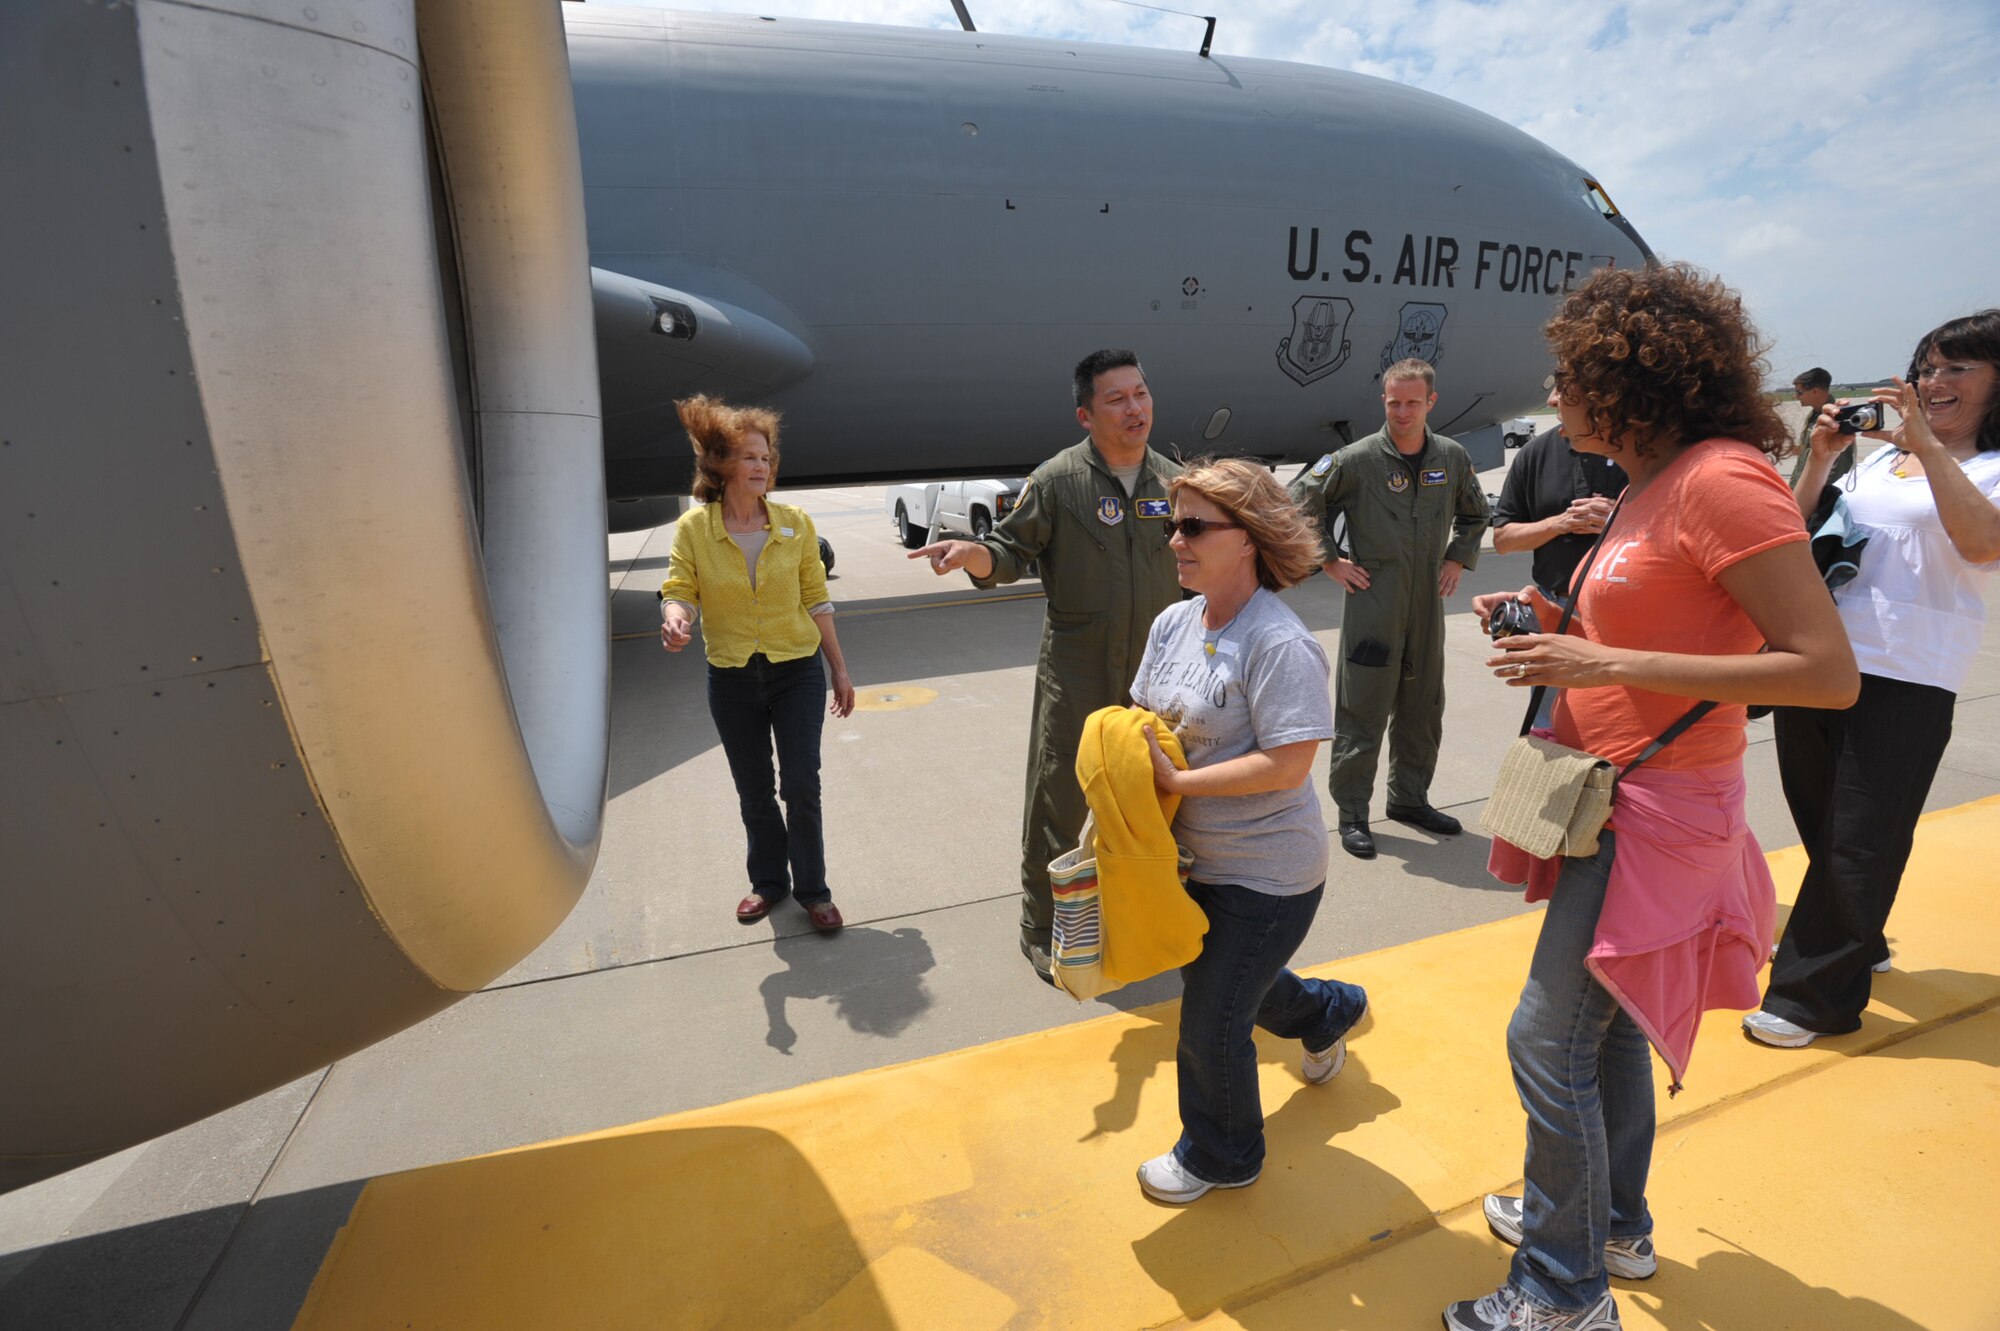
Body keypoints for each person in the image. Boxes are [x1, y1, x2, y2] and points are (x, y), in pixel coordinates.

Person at [1451, 263, 1859, 1331]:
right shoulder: (1645, 483)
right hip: (1605, 790)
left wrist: (1597, 664)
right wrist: (1549, 620)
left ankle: (1559, 1287)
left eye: (1567, 374)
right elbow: (1660, 626)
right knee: (1608, 1028)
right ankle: (1612, 1224)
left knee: (1544, 1039)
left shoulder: (1722, 479)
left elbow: (1824, 670)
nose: (1553, 393)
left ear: (1628, 379)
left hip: (1657, 808)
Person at [1746, 311, 2000, 1048]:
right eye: (1927, 367)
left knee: (1860, 835)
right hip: (1822, 658)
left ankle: (1811, 996)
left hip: (1910, 671)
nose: (1933, 381)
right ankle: (1862, 937)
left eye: (1957, 368)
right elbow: (1790, 533)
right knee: (1817, 813)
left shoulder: (1986, 466)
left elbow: (1981, 543)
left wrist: (1927, 443)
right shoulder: (1879, 463)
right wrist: (1822, 459)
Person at [1125, 458, 1368, 1204]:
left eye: (1195, 526)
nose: (1176, 541)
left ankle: (1222, 1153)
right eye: (1173, 525)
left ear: (1250, 538)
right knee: (1247, 993)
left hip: (1268, 873)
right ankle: (1332, 1010)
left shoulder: (1278, 641)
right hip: (1196, 862)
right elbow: (1143, 722)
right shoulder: (1175, 621)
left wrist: (1180, 784)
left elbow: (1288, 764)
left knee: (1210, 1020)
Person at [913, 350, 1184, 982]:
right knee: (1059, 794)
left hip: (1157, 669)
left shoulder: (1174, 482)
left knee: (1157, 791)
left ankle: (1139, 906)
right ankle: (1041, 924)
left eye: (1140, 393)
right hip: (1078, 665)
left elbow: (1205, 557)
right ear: (1086, 414)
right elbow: (1009, 550)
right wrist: (973, 554)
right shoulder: (1059, 481)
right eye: (1116, 399)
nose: (1134, 408)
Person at [660, 396, 856, 932]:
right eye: (750, 457)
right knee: (754, 788)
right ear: (721, 465)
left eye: (766, 457)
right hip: (731, 675)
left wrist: (838, 669)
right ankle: (769, 882)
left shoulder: (795, 523)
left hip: (796, 670)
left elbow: (816, 597)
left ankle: (814, 891)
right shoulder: (695, 530)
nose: (762, 466)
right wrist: (676, 616)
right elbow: (679, 588)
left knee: (800, 783)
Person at [1288, 358, 1489, 859]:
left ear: (1431, 402)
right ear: (1384, 401)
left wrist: (1457, 559)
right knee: (1363, 709)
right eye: (1394, 402)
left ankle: (1409, 799)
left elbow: (1475, 513)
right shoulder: (1356, 460)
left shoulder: (1452, 456)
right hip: (1373, 600)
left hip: (1426, 603)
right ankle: (1353, 813)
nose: (1403, 411)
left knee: (1423, 708)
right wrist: (1330, 561)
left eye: (1413, 402)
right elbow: (1297, 502)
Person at [1491, 387, 1629, 729]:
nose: (1551, 398)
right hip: (1555, 612)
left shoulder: (1638, 449)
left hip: (1620, 618)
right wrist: (1560, 523)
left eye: (1564, 388)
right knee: (1548, 724)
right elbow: (1504, 539)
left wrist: (1617, 521)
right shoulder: (1536, 453)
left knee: (1616, 725)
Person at [1786, 366, 1853, 487]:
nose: (1796, 396)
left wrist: (1822, 497)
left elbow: (1838, 464)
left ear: (1815, 391)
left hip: (1821, 493)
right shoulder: (1815, 416)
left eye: (1799, 392)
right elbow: (1808, 451)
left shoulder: (1836, 418)